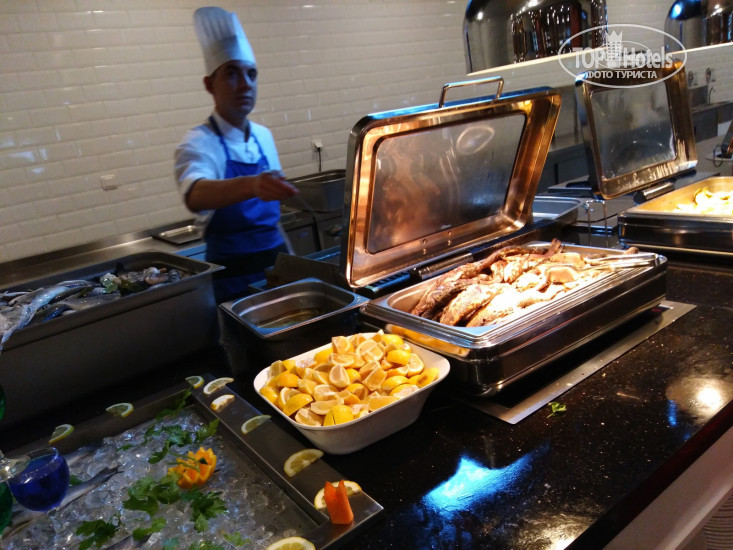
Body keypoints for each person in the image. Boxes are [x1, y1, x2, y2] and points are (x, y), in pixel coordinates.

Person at [174, 6, 298, 303]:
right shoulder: (198, 142)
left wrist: (294, 263)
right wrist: (253, 184)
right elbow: (195, 194)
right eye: (232, 73)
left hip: (278, 269)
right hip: (232, 282)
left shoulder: (263, 136)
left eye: (251, 74)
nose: (245, 84)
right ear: (209, 84)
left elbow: (274, 221)